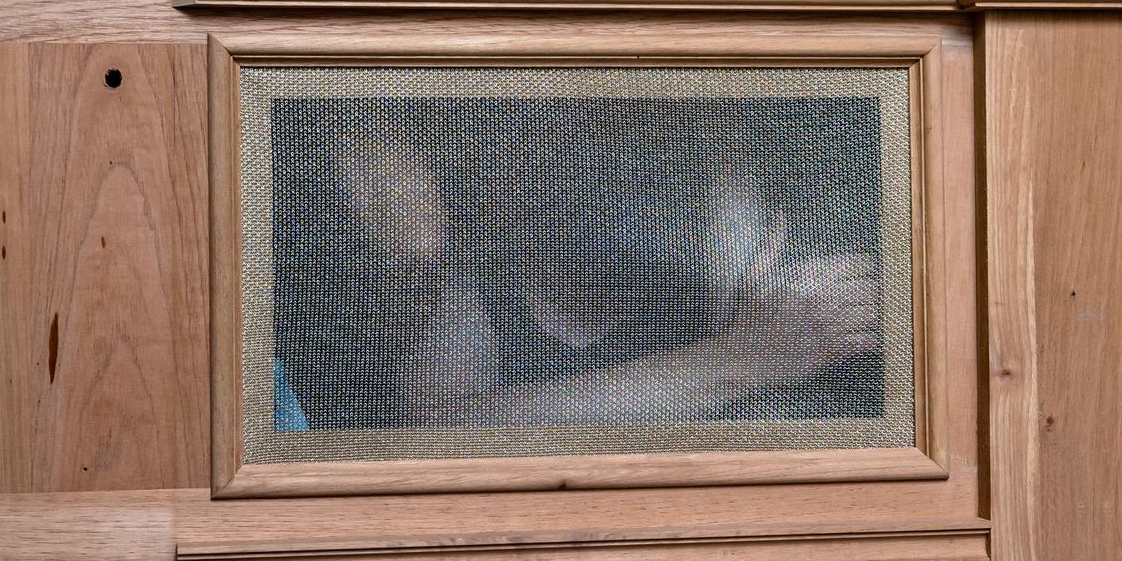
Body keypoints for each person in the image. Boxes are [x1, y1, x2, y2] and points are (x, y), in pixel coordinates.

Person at [273, 103, 881, 433]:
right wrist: (729, 363)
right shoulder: (486, 285)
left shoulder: (735, 283)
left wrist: (761, 329)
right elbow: (437, 425)